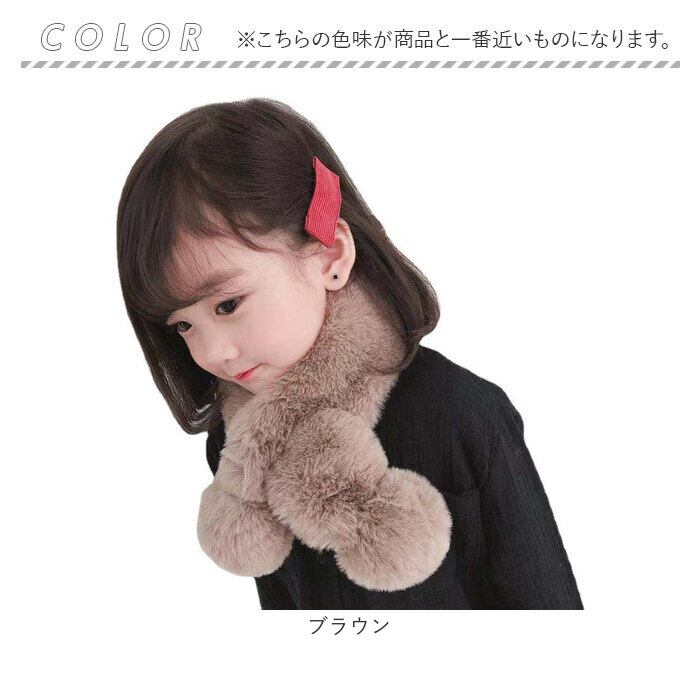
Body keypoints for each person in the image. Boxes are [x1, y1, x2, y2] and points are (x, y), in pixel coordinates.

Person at [116, 97, 583, 610]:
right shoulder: (238, 447)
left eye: (228, 304)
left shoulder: (459, 412)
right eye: (183, 325)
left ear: (331, 256)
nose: (212, 352)